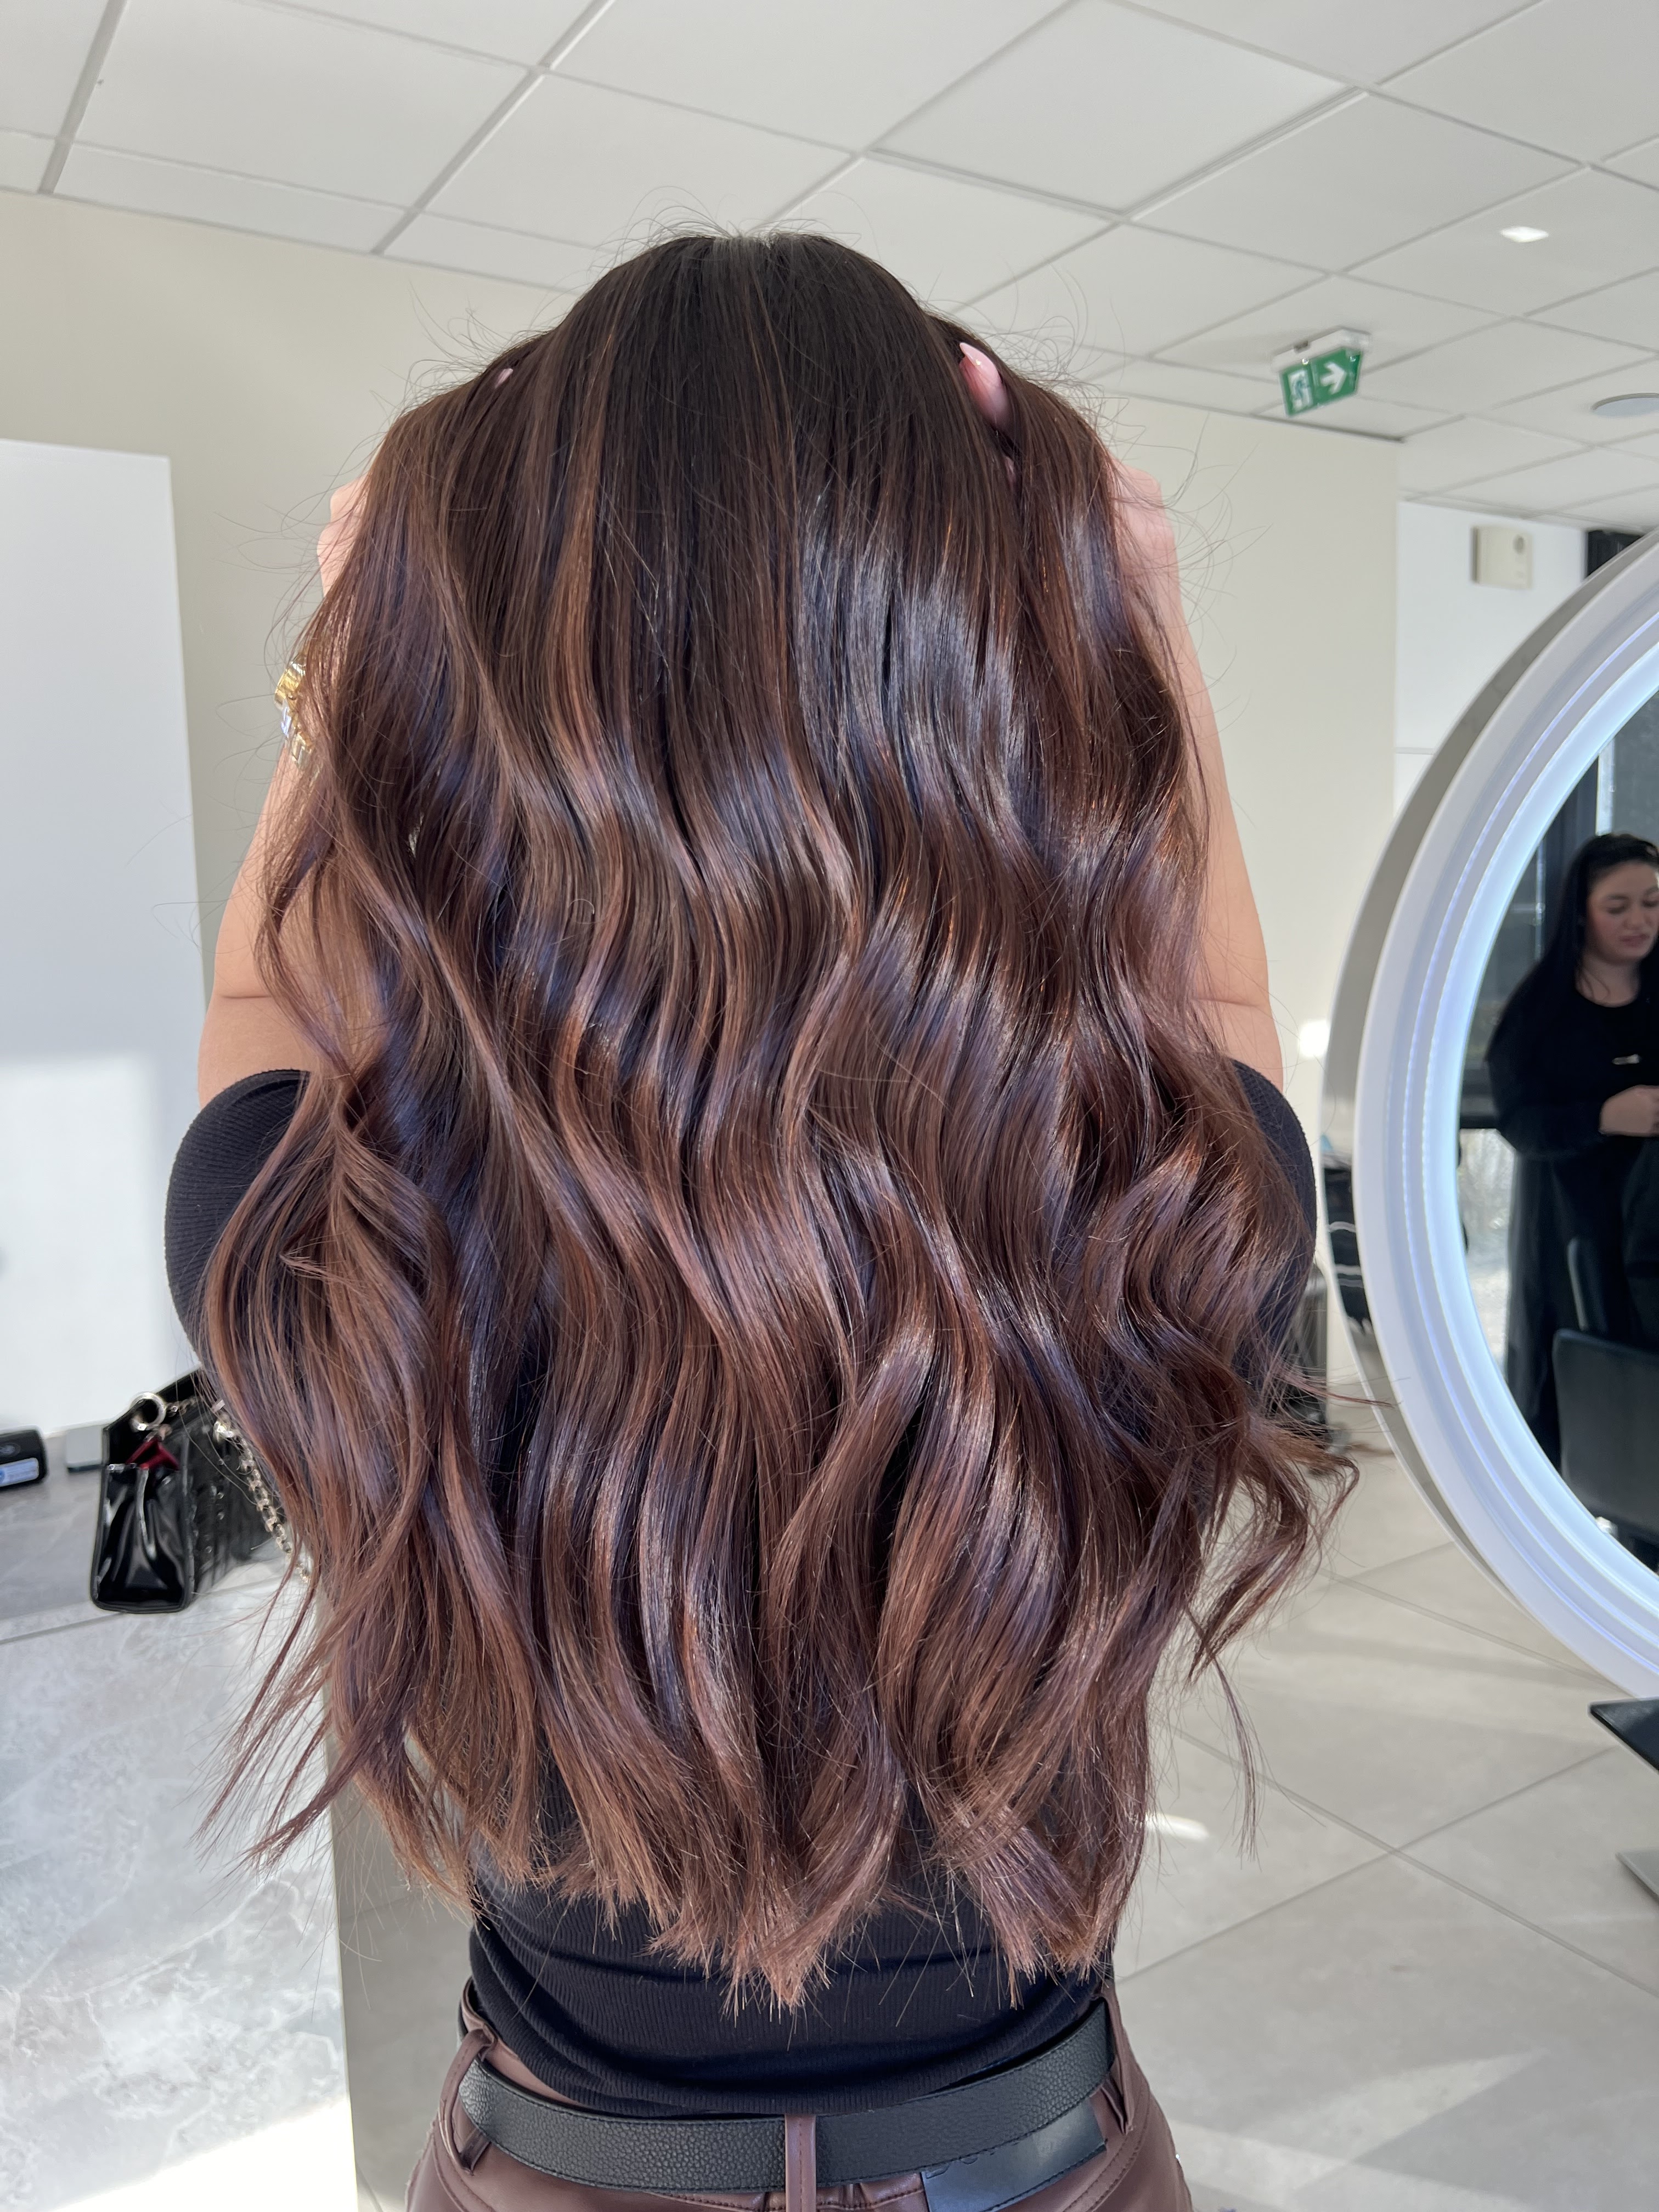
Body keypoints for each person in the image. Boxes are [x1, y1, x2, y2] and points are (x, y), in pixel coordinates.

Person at [164, 234, 1346, 2212]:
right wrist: (1137, 607)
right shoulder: (1159, 1216)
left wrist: (352, 640)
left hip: (565, 2165)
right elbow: (1217, 999)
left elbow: (262, 999)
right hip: (1027, 2165)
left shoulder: (346, 1244)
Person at [1487, 831, 1659, 1462]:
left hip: (1653, 1231)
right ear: (1581, 913)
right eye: (1618, 907)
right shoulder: (1540, 1012)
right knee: (1580, 1393)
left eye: (1652, 902)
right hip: (1571, 1227)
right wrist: (1605, 1116)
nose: (1639, 921)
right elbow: (1518, 1122)